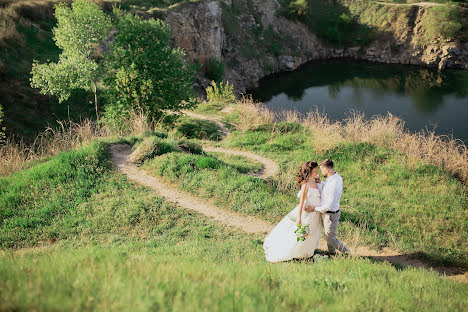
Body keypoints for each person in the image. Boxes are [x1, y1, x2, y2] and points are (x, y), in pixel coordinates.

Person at [263, 161, 323, 263]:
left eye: (317, 170)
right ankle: (294, 252)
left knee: (312, 232)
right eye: (315, 170)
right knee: (303, 233)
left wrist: (319, 182)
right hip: (307, 213)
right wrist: (299, 218)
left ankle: (306, 252)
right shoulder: (306, 185)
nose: (317, 172)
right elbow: (302, 203)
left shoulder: (315, 182)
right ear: (309, 171)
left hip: (316, 213)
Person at [305, 158, 350, 254]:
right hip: (330, 213)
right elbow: (328, 189)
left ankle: (347, 253)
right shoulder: (336, 178)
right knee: (328, 236)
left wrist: (314, 208)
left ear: (327, 170)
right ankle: (332, 253)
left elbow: (328, 206)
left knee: (331, 239)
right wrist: (320, 183)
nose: (321, 172)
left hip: (330, 214)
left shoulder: (333, 184)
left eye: (321, 170)